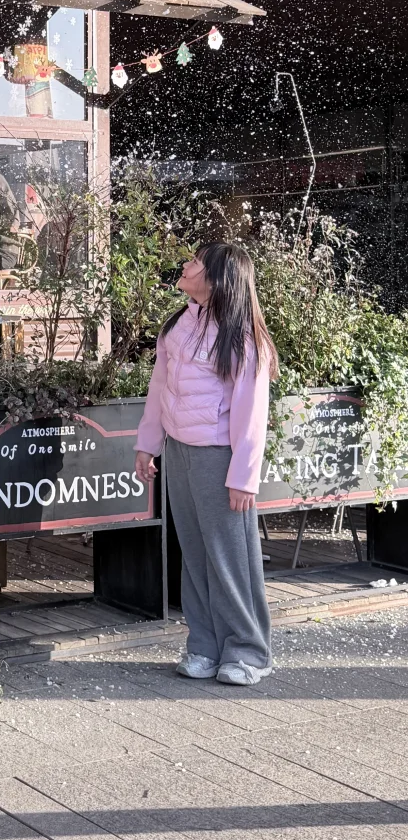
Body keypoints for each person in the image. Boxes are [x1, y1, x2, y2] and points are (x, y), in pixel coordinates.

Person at [135, 242, 277, 687]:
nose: (186, 265)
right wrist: (147, 445)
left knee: (230, 558)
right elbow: (159, 388)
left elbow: (252, 411)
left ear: (217, 279)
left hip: (220, 458)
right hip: (179, 451)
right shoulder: (178, 324)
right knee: (195, 555)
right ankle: (203, 647)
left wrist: (243, 478)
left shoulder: (242, 337)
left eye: (196, 262)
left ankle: (248, 652)